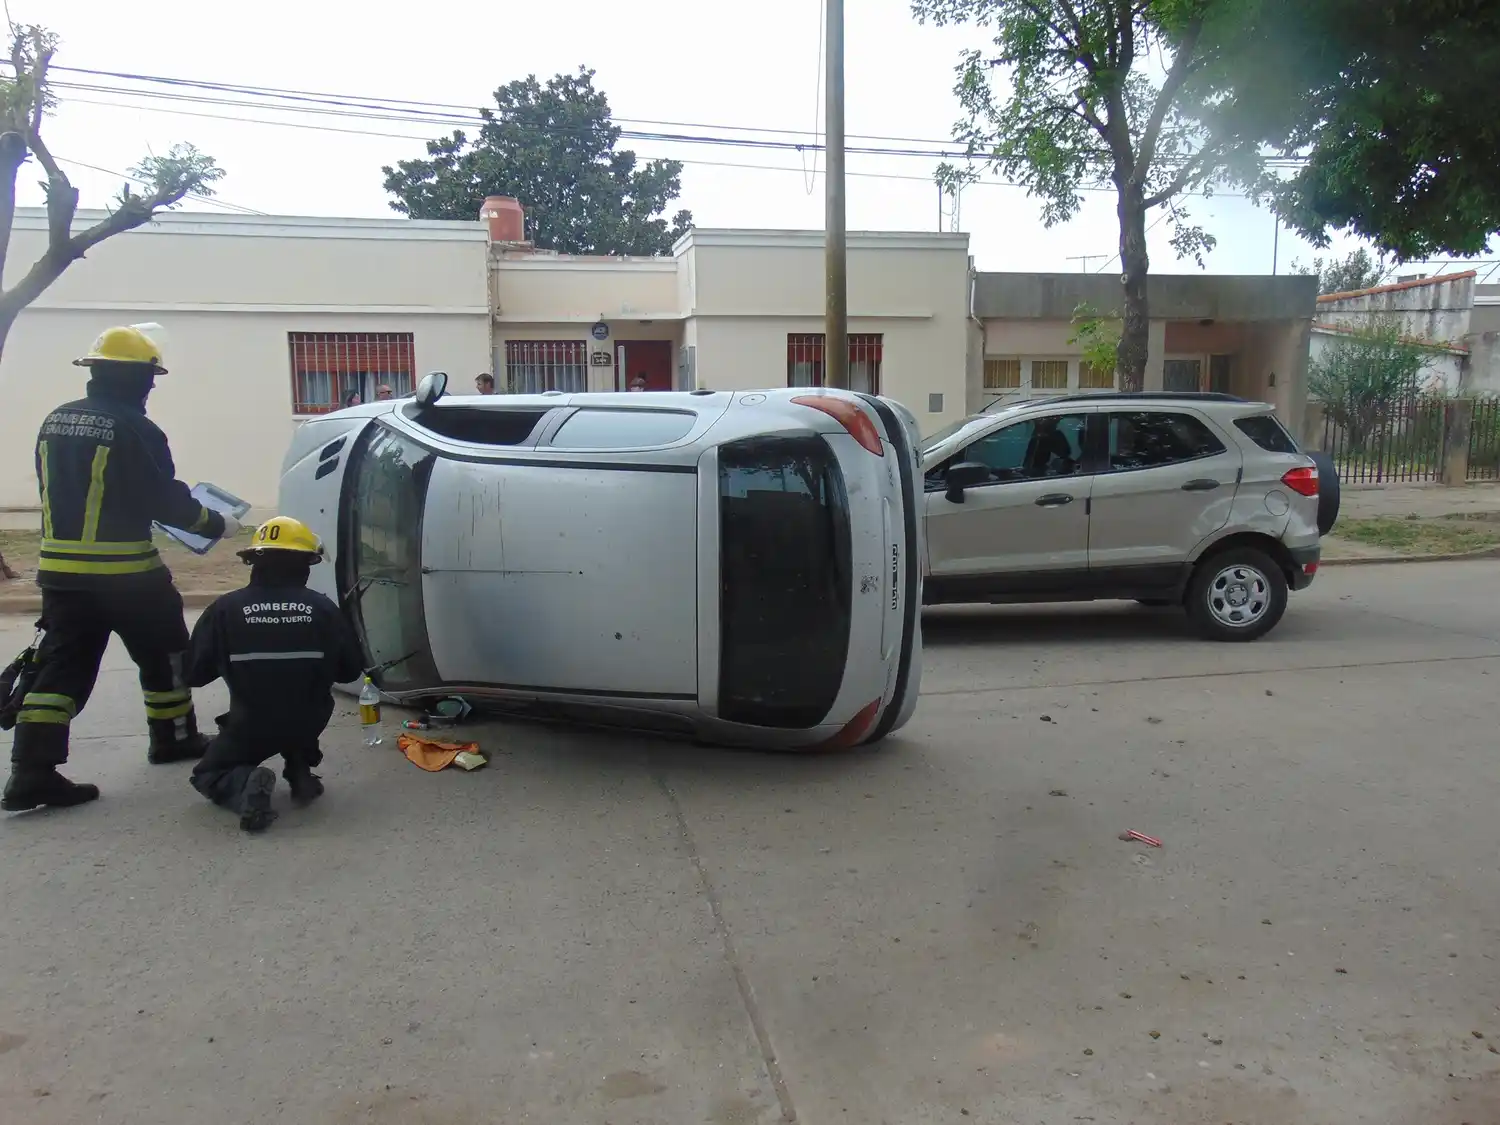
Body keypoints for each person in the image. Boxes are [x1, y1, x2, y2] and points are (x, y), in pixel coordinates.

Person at [2, 324, 239, 812]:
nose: (151, 387)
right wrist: (218, 523)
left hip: (61, 573)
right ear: (137, 378)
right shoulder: (136, 428)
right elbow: (163, 499)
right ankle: (173, 738)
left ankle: (31, 771)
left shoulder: (55, 419)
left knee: (61, 667)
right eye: (149, 378)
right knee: (167, 655)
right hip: (128, 574)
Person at [185, 516, 364, 832]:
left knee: (208, 774)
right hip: (308, 721)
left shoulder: (224, 610)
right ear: (306, 565)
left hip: (250, 725)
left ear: (254, 562)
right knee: (303, 704)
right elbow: (350, 672)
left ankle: (245, 784)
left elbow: (194, 674)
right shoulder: (324, 609)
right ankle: (300, 769)